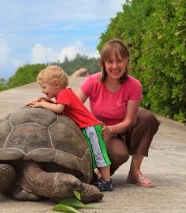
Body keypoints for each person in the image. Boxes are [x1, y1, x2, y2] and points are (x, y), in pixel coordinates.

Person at [75, 38, 160, 188]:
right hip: (102, 134)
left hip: (122, 129)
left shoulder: (134, 85)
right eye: (110, 62)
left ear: (127, 61)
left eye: (119, 61)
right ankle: (98, 171)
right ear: (103, 63)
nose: (115, 66)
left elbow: (128, 121)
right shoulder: (92, 81)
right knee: (119, 154)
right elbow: (73, 105)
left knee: (147, 117)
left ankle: (135, 172)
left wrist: (111, 129)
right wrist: (48, 102)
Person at [27, 65, 113, 192]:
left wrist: (42, 104)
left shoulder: (64, 93)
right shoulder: (63, 94)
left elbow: (59, 109)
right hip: (87, 127)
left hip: (91, 128)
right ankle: (101, 179)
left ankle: (107, 182)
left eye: (44, 87)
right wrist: (44, 100)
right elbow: (58, 105)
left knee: (99, 154)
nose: (42, 91)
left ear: (56, 84)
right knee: (93, 156)